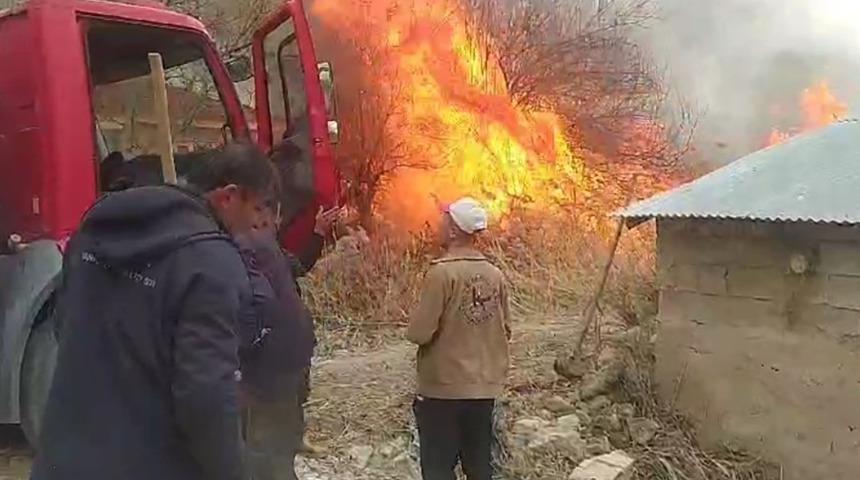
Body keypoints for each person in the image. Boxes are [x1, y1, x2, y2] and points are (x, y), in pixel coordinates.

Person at [31, 143, 279, 480]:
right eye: (258, 208)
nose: (258, 223)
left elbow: (64, 324)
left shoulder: (95, 228)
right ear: (229, 197)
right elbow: (204, 397)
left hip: (63, 461)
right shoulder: (211, 262)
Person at [407, 197, 511, 480]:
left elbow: (419, 333)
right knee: (479, 467)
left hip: (443, 391)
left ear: (454, 231)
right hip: (482, 390)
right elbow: (506, 329)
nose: (439, 225)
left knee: (438, 468)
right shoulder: (495, 275)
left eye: (445, 220)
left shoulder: (441, 274)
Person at [234, 201, 317, 480]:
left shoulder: (247, 248)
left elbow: (255, 310)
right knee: (276, 456)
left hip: (267, 373)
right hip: (288, 363)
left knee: (266, 458)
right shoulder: (269, 250)